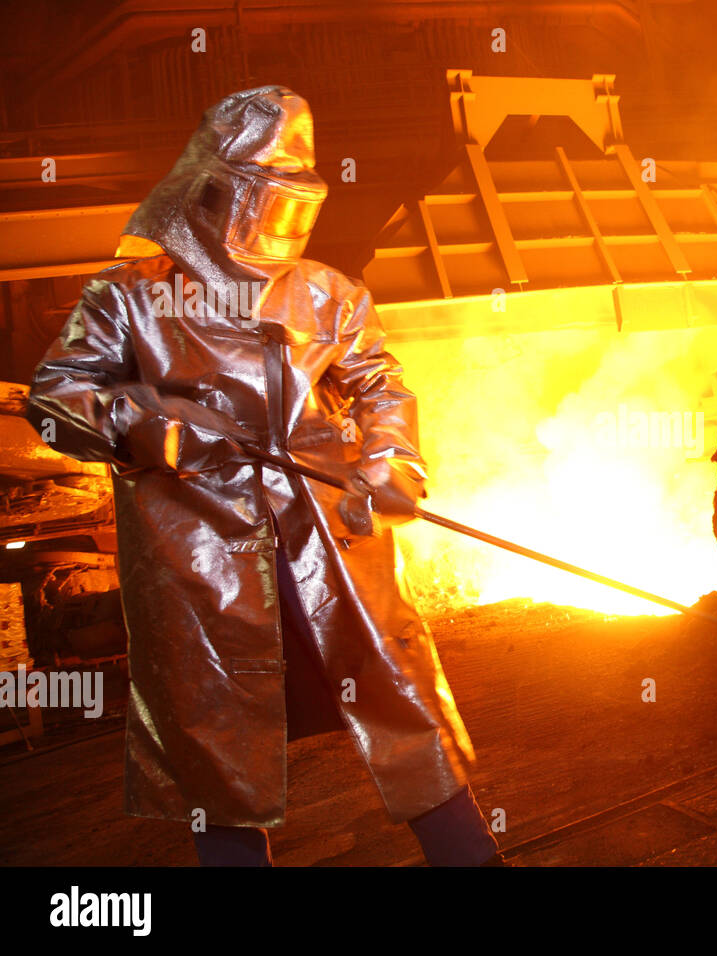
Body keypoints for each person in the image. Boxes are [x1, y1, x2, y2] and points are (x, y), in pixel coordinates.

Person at [26, 86, 501, 866]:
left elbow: (382, 384)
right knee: (217, 734)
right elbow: (56, 397)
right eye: (259, 198)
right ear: (207, 188)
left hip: (325, 545)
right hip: (200, 559)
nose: (272, 223)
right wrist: (161, 432)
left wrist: (391, 461)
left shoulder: (325, 292)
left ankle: (473, 860)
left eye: (291, 202)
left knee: (400, 705)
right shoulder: (129, 296)